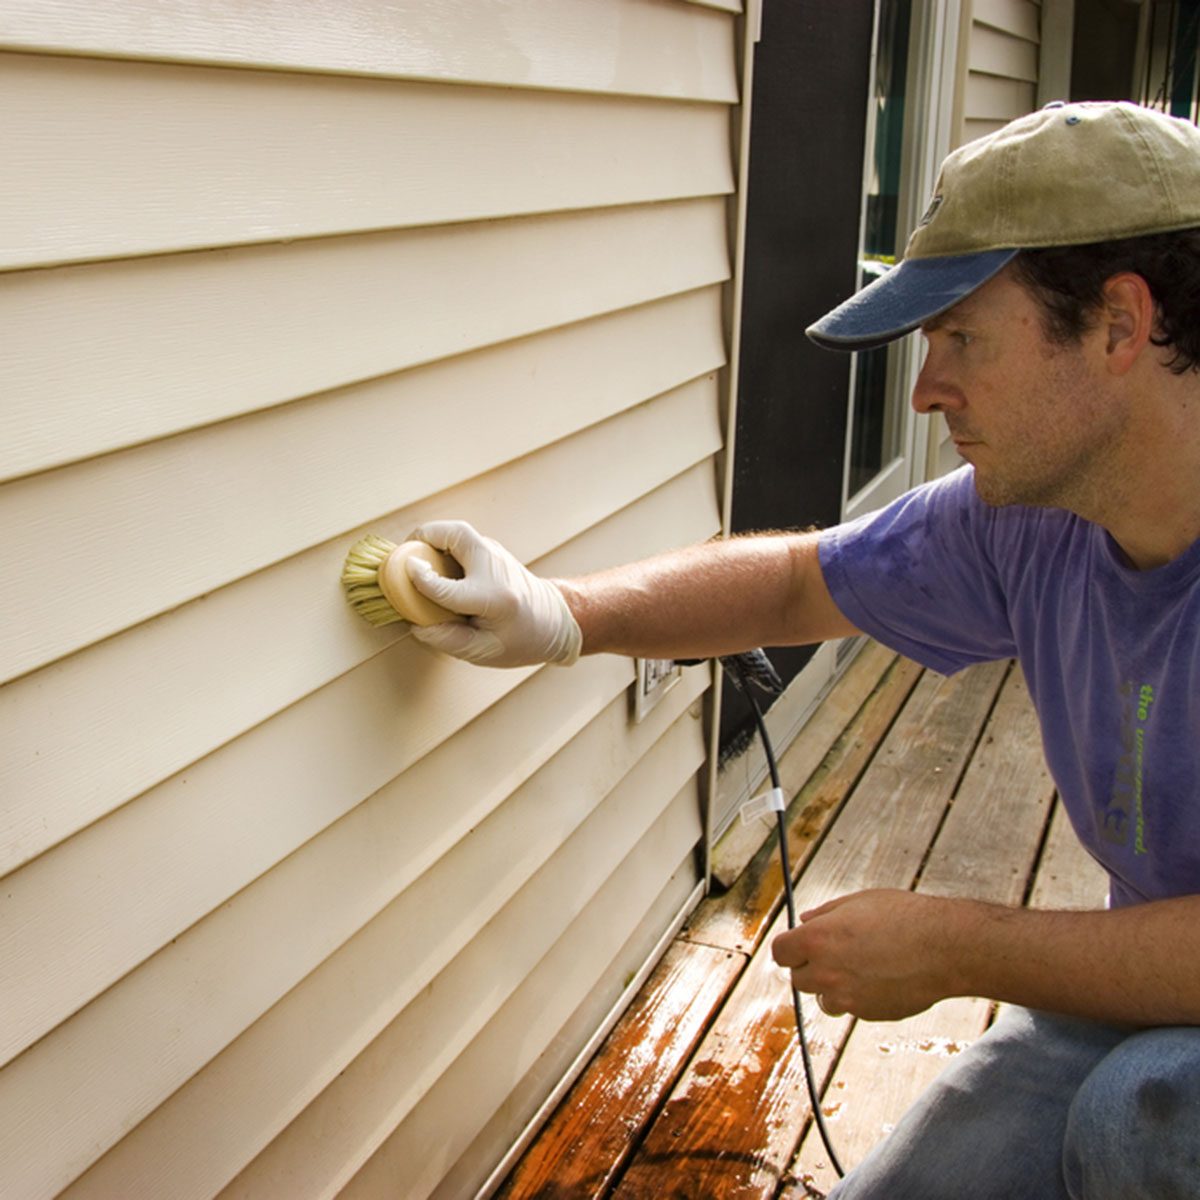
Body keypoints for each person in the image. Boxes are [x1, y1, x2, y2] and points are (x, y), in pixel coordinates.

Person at [403, 101, 1200, 1198]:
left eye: (963, 336)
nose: (924, 391)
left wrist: (961, 946)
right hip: (1147, 987)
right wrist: (561, 614)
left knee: (1151, 1117)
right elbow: (793, 579)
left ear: (1120, 324)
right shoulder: (1033, 519)